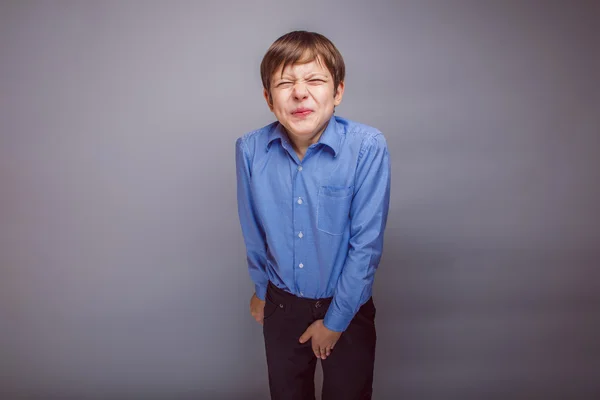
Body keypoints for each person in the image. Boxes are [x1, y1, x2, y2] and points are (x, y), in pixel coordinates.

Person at [235, 30, 391, 400]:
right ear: (268, 98)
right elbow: (253, 228)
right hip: (282, 304)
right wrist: (262, 290)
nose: (300, 92)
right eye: (285, 83)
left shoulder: (367, 147)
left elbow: (365, 246)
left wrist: (336, 321)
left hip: (347, 308)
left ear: (337, 91)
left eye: (315, 80)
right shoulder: (250, 149)